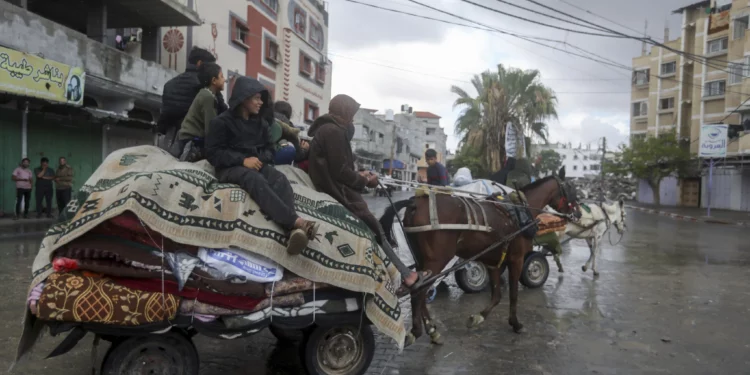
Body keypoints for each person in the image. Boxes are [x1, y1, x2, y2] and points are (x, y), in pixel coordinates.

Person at [307, 94, 430, 295]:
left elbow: (339, 167)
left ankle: (401, 273)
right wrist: (365, 180)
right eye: (351, 114)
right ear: (344, 111)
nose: (353, 120)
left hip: (335, 186)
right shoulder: (333, 132)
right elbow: (340, 172)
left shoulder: (327, 129)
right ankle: (406, 275)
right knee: (375, 229)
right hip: (338, 192)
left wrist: (359, 174)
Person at [205, 76, 319, 255]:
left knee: (280, 179)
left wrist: (258, 159)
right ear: (244, 98)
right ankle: (296, 223)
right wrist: (243, 161)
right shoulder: (221, 122)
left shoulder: (261, 124)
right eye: (256, 98)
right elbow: (213, 153)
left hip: (256, 165)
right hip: (229, 168)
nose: (260, 102)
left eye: (261, 99)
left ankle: (292, 232)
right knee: (254, 179)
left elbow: (269, 150)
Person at [158, 47, 228, 155]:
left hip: (170, 140)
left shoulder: (169, 84)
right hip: (194, 142)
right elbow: (221, 115)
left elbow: (164, 116)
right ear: (199, 63)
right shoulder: (207, 88)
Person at [176, 62, 226, 162]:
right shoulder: (208, 97)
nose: (225, 79)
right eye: (222, 76)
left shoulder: (206, 94)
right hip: (191, 141)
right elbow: (211, 128)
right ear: (214, 80)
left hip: (189, 139)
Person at [271, 101, 310, 165]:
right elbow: (298, 156)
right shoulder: (291, 129)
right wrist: (304, 149)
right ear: (289, 114)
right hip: (281, 167)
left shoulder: (265, 120)